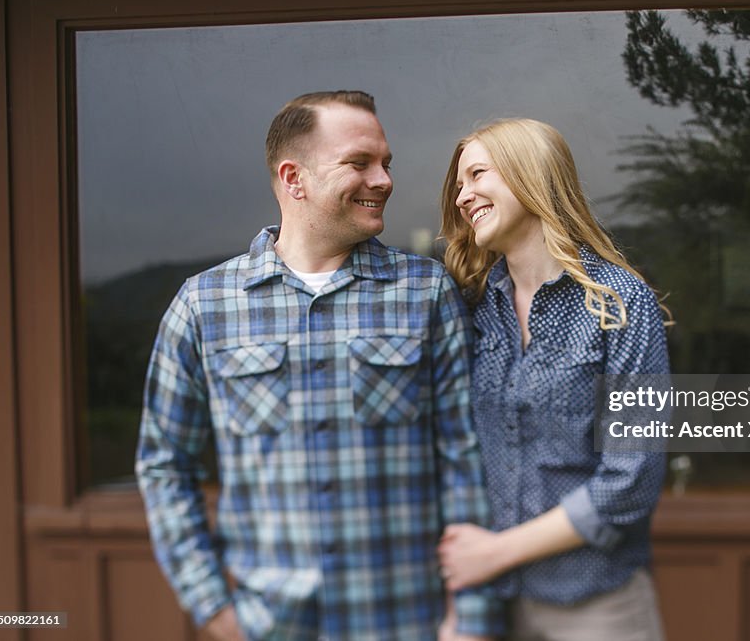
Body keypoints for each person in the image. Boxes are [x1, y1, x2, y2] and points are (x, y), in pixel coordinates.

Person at [137, 91, 501, 641]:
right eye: (360, 163)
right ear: (293, 178)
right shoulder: (203, 305)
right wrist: (214, 608)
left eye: (386, 163)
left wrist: (470, 617)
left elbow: (465, 456)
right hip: (270, 626)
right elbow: (165, 467)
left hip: (407, 622)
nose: (384, 180)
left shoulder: (425, 292)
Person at [436, 118, 670, 641]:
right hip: (495, 605)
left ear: (528, 175)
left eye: (476, 175)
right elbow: (457, 454)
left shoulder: (620, 304)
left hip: (596, 602)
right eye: (458, 185)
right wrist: (459, 600)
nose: (463, 196)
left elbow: (631, 481)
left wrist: (494, 553)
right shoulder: (475, 306)